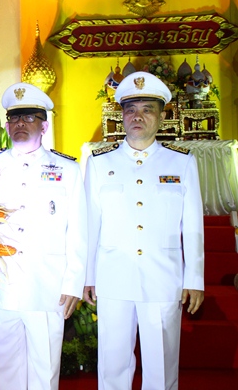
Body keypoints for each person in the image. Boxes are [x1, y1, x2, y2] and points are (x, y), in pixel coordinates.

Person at [83, 71, 205, 390]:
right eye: (131, 109)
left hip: (163, 277)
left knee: (162, 367)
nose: (137, 116)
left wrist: (194, 278)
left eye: (147, 109)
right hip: (113, 277)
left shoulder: (181, 163)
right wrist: (87, 276)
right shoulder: (99, 163)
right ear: (122, 116)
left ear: (162, 116)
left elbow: (193, 226)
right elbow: (90, 224)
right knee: (112, 364)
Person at [0, 83, 87, 389]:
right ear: (7, 125)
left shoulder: (67, 169)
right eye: (15, 118)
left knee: (44, 374)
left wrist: (73, 283)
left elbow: (78, 229)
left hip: (47, 287)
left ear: (44, 126)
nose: (20, 123)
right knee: (4, 374)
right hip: (1, 286)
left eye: (29, 117)